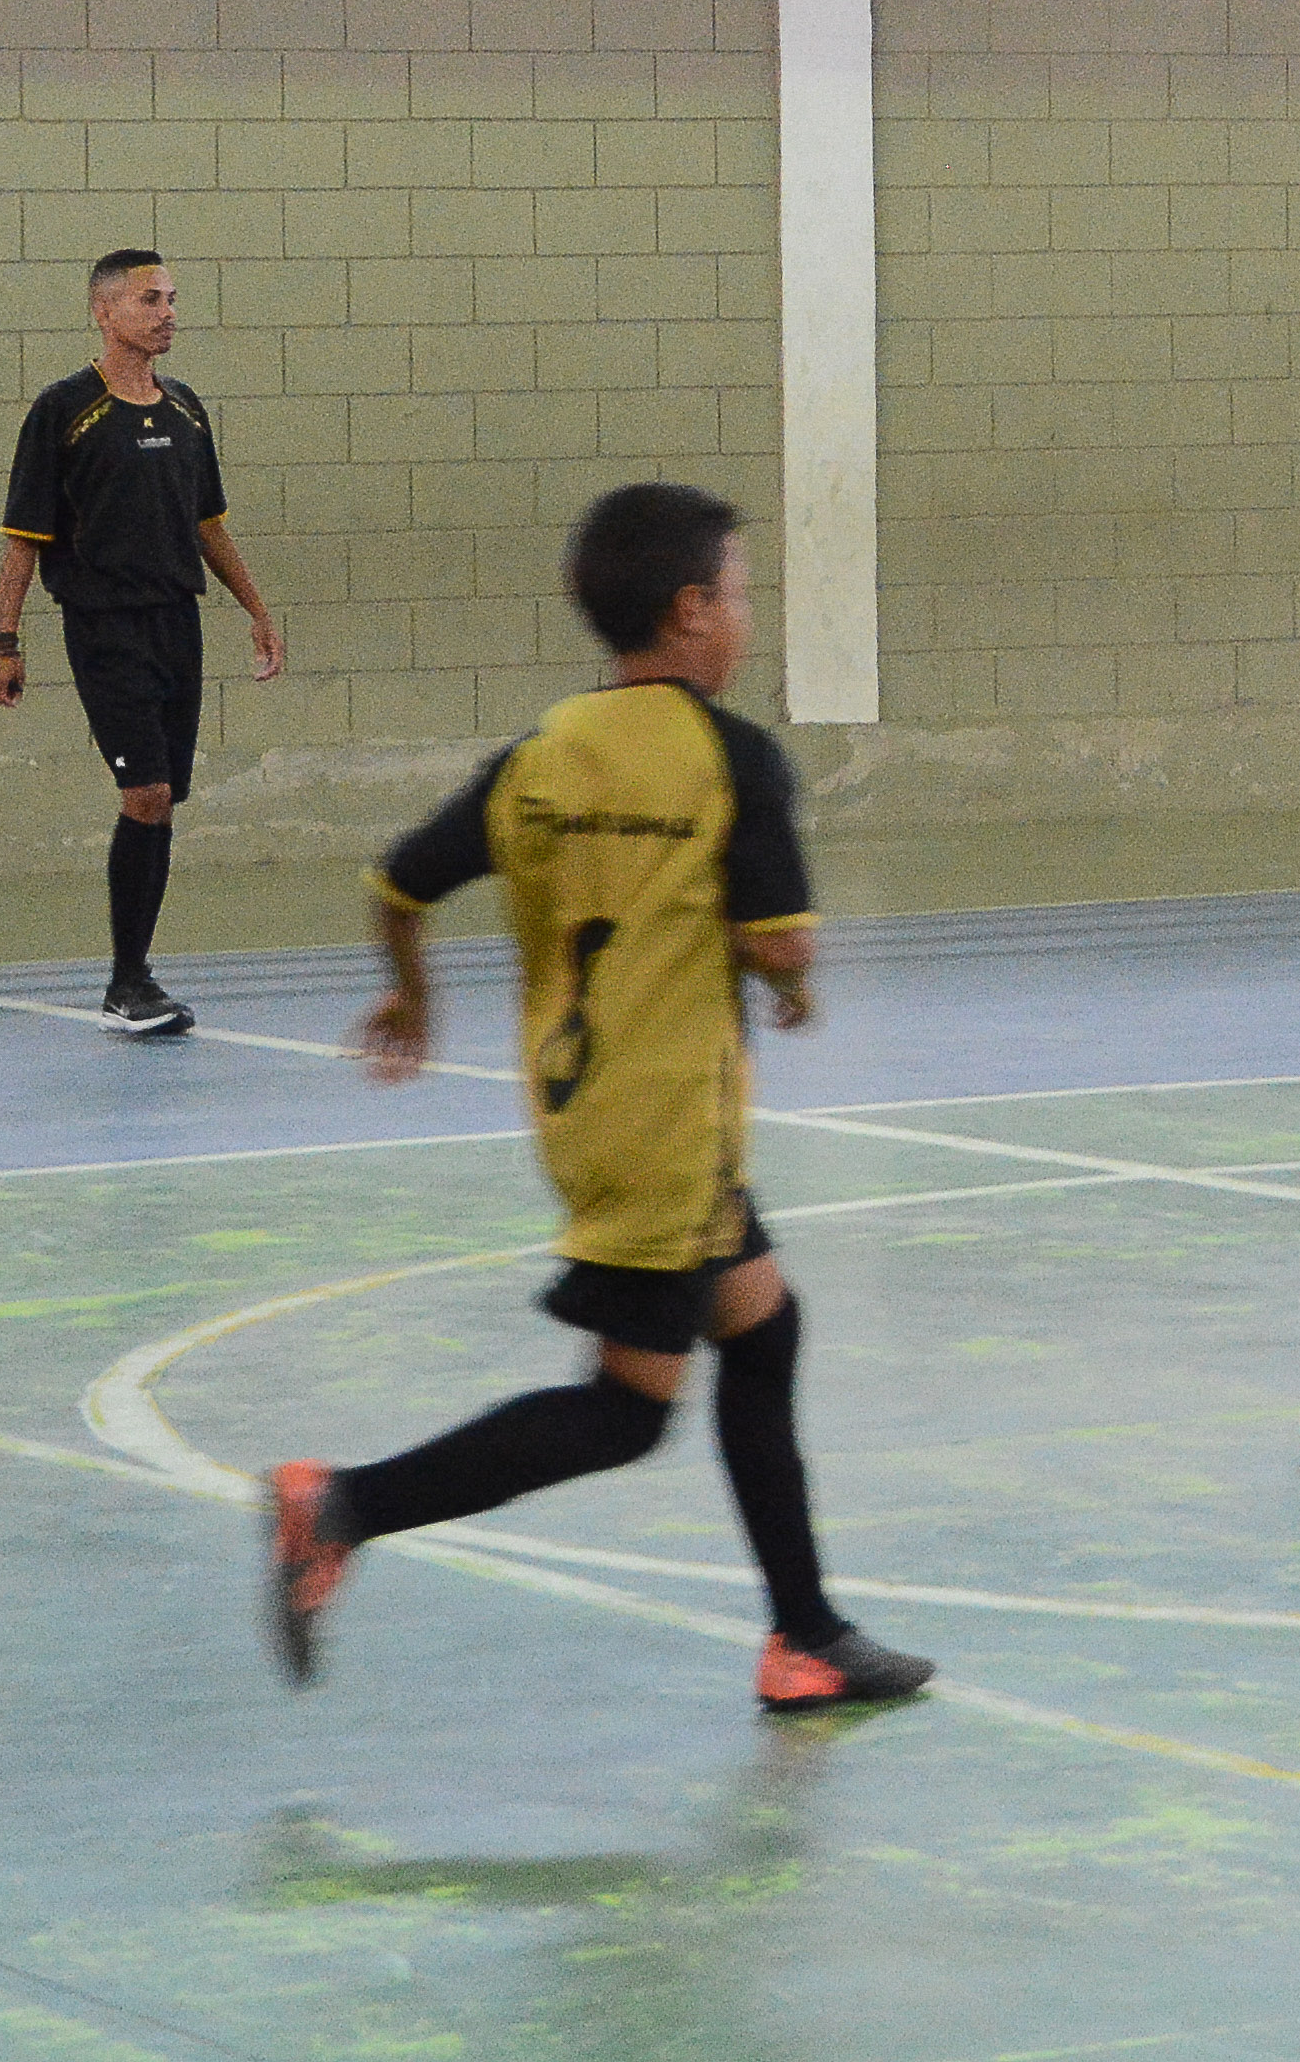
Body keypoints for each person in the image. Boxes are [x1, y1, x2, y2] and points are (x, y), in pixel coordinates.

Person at [260, 481, 938, 1714]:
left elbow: (397, 883)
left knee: (764, 1328)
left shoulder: (544, 752)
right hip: (672, 1127)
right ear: (689, 613)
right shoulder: (734, 760)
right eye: (737, 594)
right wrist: (777, 979)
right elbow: (783, 945)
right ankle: (340, 1505)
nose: (744, 618)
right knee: (625, 1413)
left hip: (585, 1117)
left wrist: (412, 1000)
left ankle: (806, 1635)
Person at [0, 247, 288, 1041]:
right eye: (151, 300)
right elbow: (23, 537)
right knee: (144, 794)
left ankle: (136, 975)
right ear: (105, 311)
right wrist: (4, 638)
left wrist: (254, 607)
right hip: (103, 626)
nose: (168, 313)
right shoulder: (64, 411)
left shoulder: (185, 408)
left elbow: (207, 523)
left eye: (173, 298)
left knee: (163, 804)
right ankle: (128, 985)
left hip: (173, 623)